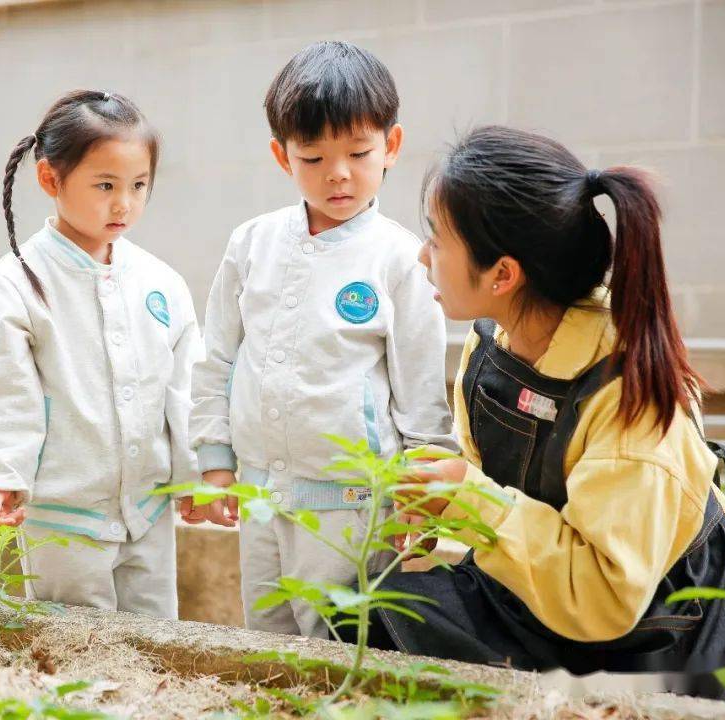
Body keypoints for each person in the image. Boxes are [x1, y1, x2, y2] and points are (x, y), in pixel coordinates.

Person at [365, 125, 725, 698]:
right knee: (374, 616)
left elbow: (608, 598)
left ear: (503, 275)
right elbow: (493, 493)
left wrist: (470, 500)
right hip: (550, 586)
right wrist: (443, 497)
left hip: (647, 621)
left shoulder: (630, 402)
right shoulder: (494, 342)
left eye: (437, 240)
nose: (421, 254)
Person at [187, 41, 456, 638]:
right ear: (283, 157)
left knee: (342, 642)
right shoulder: (251, 243)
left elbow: (420, 390)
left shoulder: (402, 257)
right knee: (268, 635)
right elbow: (218, 360)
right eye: (313, 158)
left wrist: (423, 486)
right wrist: (214, 461)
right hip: (260, 492)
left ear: (392, 145)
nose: (338, 173)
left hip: (352, 507)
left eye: (359, 152)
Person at [0, 90, 200, 619]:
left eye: (138, 186)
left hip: (149, 511)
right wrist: (3, 472)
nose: (124, 203)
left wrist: (197, 471)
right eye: (105, 186)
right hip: (63, 516)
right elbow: (7, 390)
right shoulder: (16, 283)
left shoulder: (161, 282)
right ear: (50, 180)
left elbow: (185, 386)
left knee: (157, 638)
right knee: (76, 645)